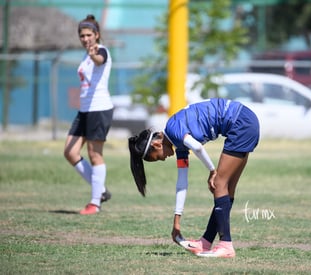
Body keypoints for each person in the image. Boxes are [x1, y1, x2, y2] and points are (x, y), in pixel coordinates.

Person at [128, 98, 260, 258]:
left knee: (219, 183)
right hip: (245, 121)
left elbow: (197, 147)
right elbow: (181, 183)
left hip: (241, 123)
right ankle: (205, 242)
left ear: (156, 145)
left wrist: (212, 171)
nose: (162, 159)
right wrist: (177, 221)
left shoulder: (173, 129)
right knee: (226, 188)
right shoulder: (179, 145)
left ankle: (226, 245)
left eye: (156, 158)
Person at [64, 14, 113, 215]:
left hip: (99, 109)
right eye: (82, 36)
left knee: (95, 155)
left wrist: (94, 53)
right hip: (85, 110)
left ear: (96, 35)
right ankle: (100, 189)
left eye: (88, 35)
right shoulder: (85, 55)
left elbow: (100, 59)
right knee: (70, 152)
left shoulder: (100, 51)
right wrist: (89, 54)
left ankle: (95, 203)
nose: (85, 39)